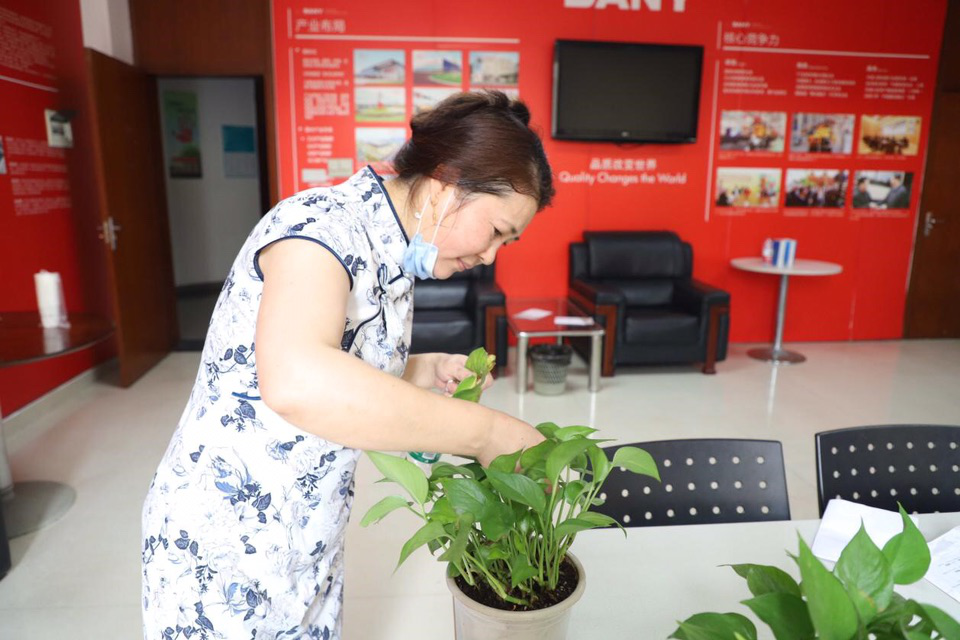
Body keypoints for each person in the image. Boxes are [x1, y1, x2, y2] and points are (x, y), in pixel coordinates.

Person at [141, 90, 554, 640]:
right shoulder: (318, 228)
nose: (489, 256)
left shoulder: (397, 259)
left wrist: (420, 370)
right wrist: (486, 434)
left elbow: (344, 366)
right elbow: (298, 379)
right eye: (498, 231)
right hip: (226, 544)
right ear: (446, 183)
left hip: (303, 536)